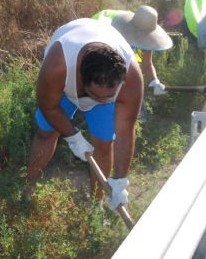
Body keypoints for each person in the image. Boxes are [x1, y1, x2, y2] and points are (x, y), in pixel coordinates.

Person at [26, 18, 143, 212]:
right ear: (81, 78)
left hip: (102, 80)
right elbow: (49, 107)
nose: (101, 100)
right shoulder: (58, 66)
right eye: (96, 95)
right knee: (47, 133)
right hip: (64, 84)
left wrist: (121, 180)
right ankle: (28, 185)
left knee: (104, 146)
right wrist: (73, 136)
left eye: (109, 96)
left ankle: (94, 206)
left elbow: (125, 132)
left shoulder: (131, 79)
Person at [92, 5, 173, 95]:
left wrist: (155, 82)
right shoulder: (113, 29)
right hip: (96, 34)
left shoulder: (145, 26)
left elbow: (147, 63)